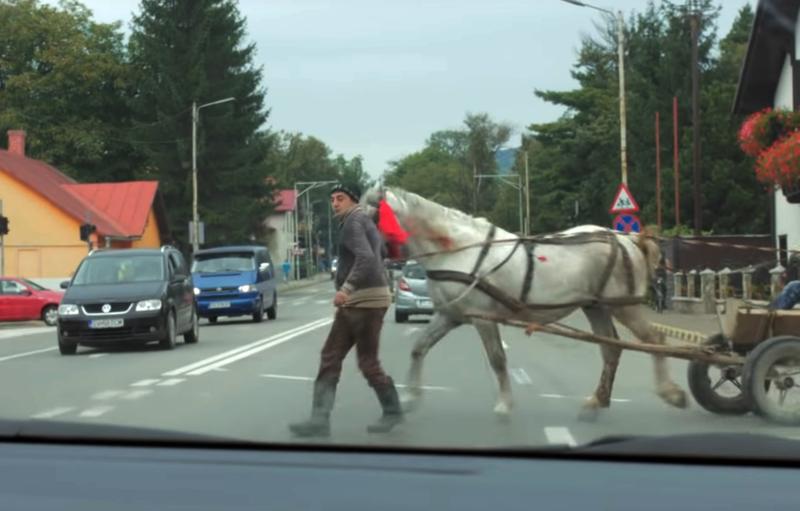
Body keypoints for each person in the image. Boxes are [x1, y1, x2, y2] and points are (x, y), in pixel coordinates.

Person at [289, 182, 402, 437]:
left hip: (362, 301)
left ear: (353, 200)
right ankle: (322, 419)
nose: (335, 204)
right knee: (340, 357)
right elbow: (381, 253)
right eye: (332, 200)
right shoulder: (364, 221)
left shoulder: (353, 222)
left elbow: (366, 258)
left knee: (353, 359)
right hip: (368, 300)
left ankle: (323, 419)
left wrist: (346, 288)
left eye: (340, 198)